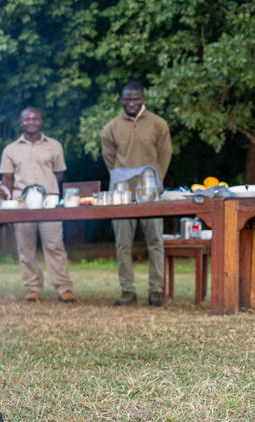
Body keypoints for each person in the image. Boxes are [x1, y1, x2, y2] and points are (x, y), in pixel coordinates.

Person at [101, 82, 172, 307]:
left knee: (155, 241)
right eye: (127, 99)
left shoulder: (158, 124)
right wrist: (122, 180)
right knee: (122, 243)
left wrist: (154, 181)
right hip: (122, 193)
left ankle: (156, 291)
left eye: (136, 98)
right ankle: (127, 291)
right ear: (121, 100)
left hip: (151, 192)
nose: (131, 103)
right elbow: (109, 160)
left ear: (143, 99)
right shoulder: (111, 127)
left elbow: (164, 156)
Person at [0, 107, 76, 303]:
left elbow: (58, 173)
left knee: (54, 245)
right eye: (26, 119)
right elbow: (7, 178)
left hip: (48, 202)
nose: (30, 122)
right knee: (25, 247)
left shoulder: (54, 145)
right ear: (21, 122)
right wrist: (7, 205)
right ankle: (33, 288)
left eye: (34, 118)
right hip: (21, 203)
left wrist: (46, 189)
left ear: (41, 121)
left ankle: (64, 288)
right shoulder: (11, 149)